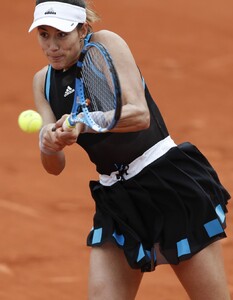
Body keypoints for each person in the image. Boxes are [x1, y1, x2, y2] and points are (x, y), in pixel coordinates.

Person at [29, 0, 231, 299]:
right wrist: (48, 143)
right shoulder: (42, 82)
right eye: (44, 35)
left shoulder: (105, 44)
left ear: (83, 29)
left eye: (62, 34)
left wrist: (85, 123)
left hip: (166, 182)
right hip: (117, 199)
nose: (52, 46)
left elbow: (139, 114)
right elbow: (54, 166)